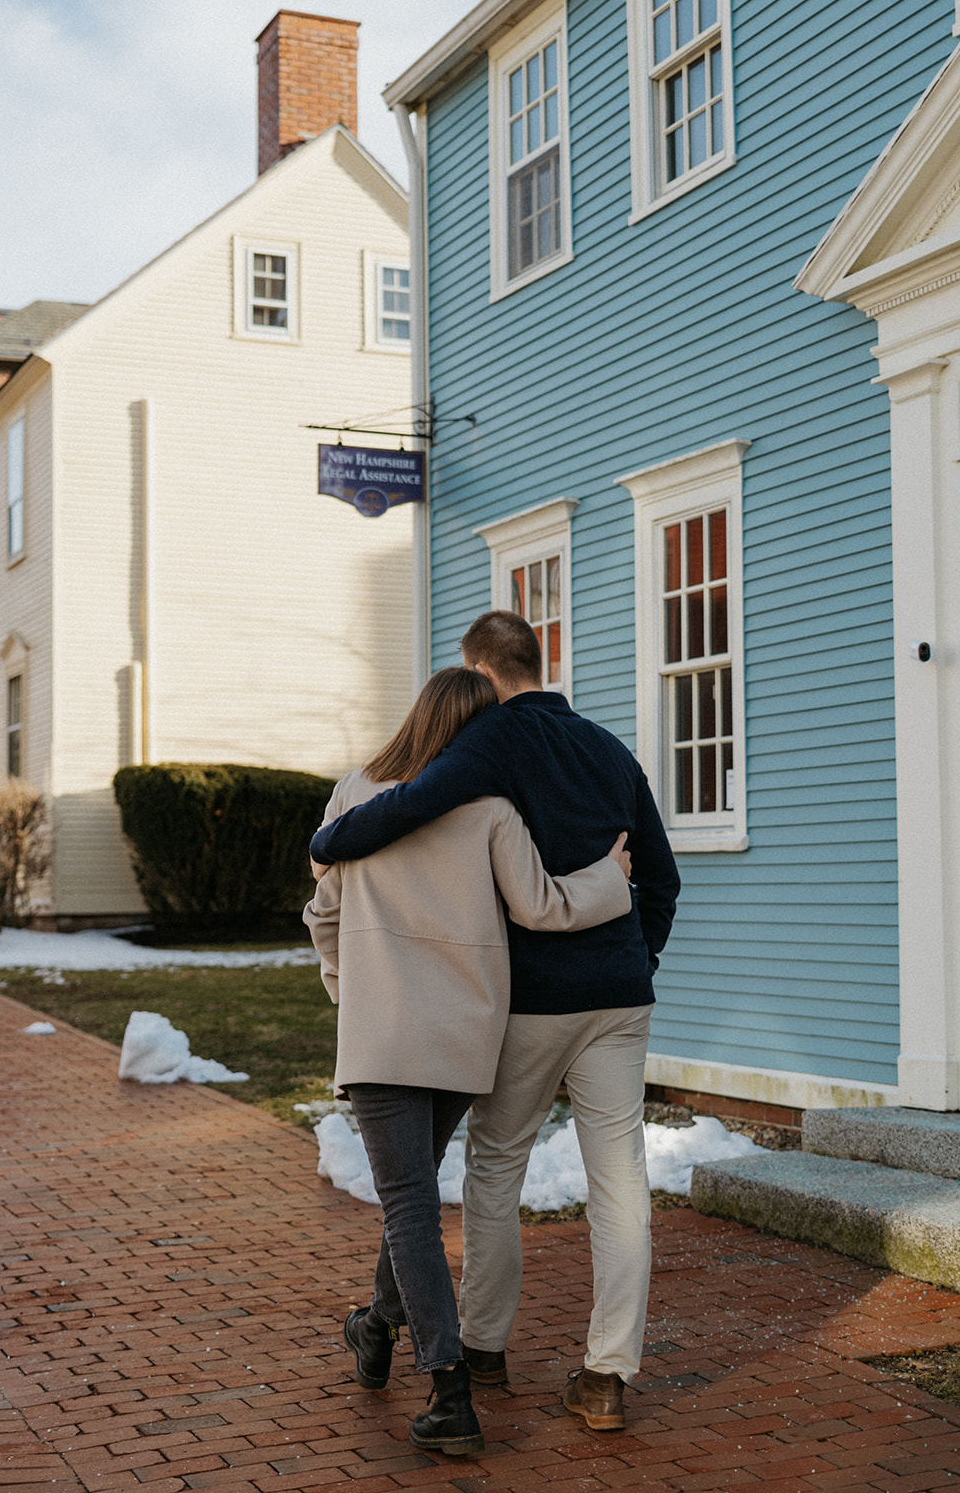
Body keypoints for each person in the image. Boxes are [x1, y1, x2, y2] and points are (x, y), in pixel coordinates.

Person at [310, 610, 681, 1432]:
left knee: (492, 1173)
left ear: (479, 669)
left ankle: (478, 1353)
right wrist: (635, 960)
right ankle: (608, 1374)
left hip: (530, 1002)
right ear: (539, 660)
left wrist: (328, 836)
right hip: (620, 1000)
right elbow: (660, 879)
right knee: (619, 1182)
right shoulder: (610, 750)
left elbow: (407, 805)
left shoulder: (490, 741)